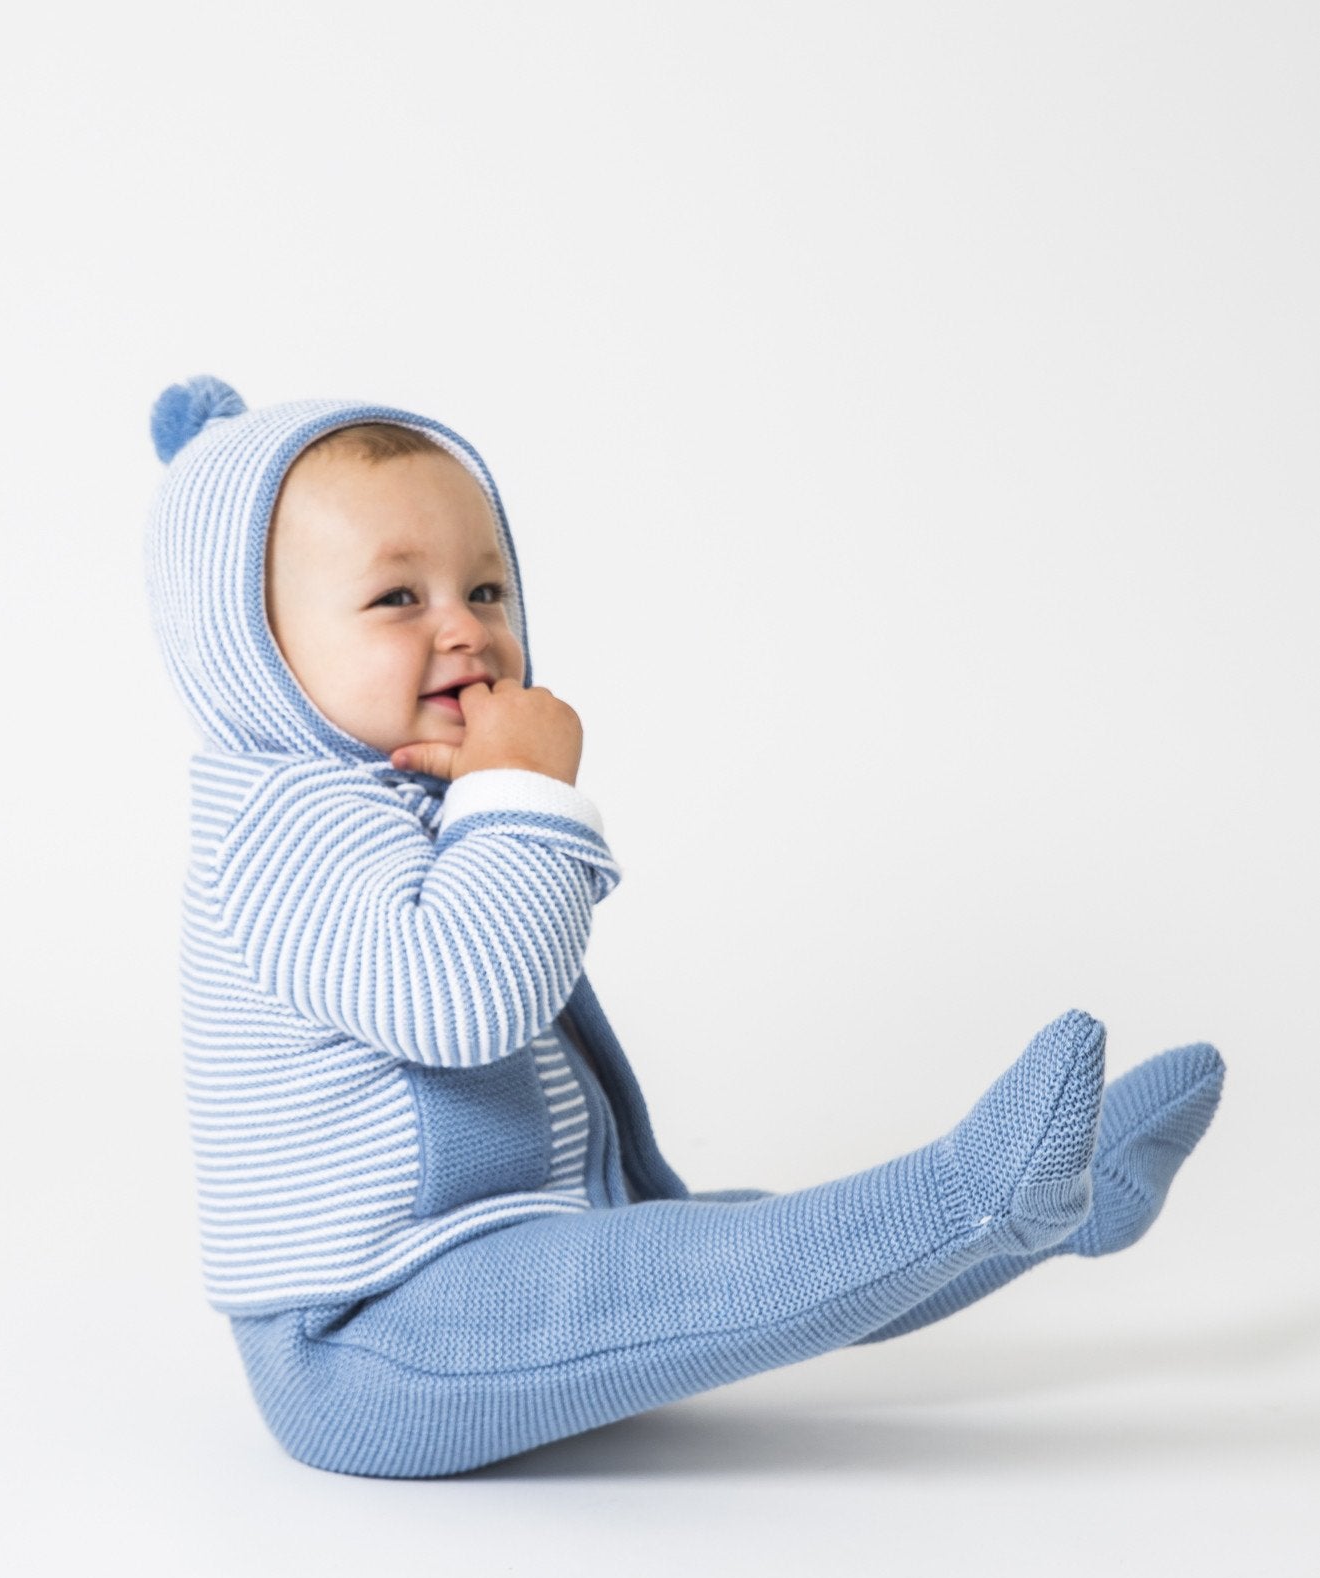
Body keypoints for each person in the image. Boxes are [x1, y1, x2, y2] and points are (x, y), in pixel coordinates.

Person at [144, 375, 1226, 1479]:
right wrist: (519, 790)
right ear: (251, 647)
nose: (466, 628)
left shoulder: (398, 793)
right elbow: (466, 1004)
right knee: (727, 1271)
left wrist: (493, 793)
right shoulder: (278, 825)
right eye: (396, 600)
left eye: (486, 587)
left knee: (754, 1245)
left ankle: (1057, 1202)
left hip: (487, 1261)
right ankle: (978, 1193)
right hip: (366, 1333)